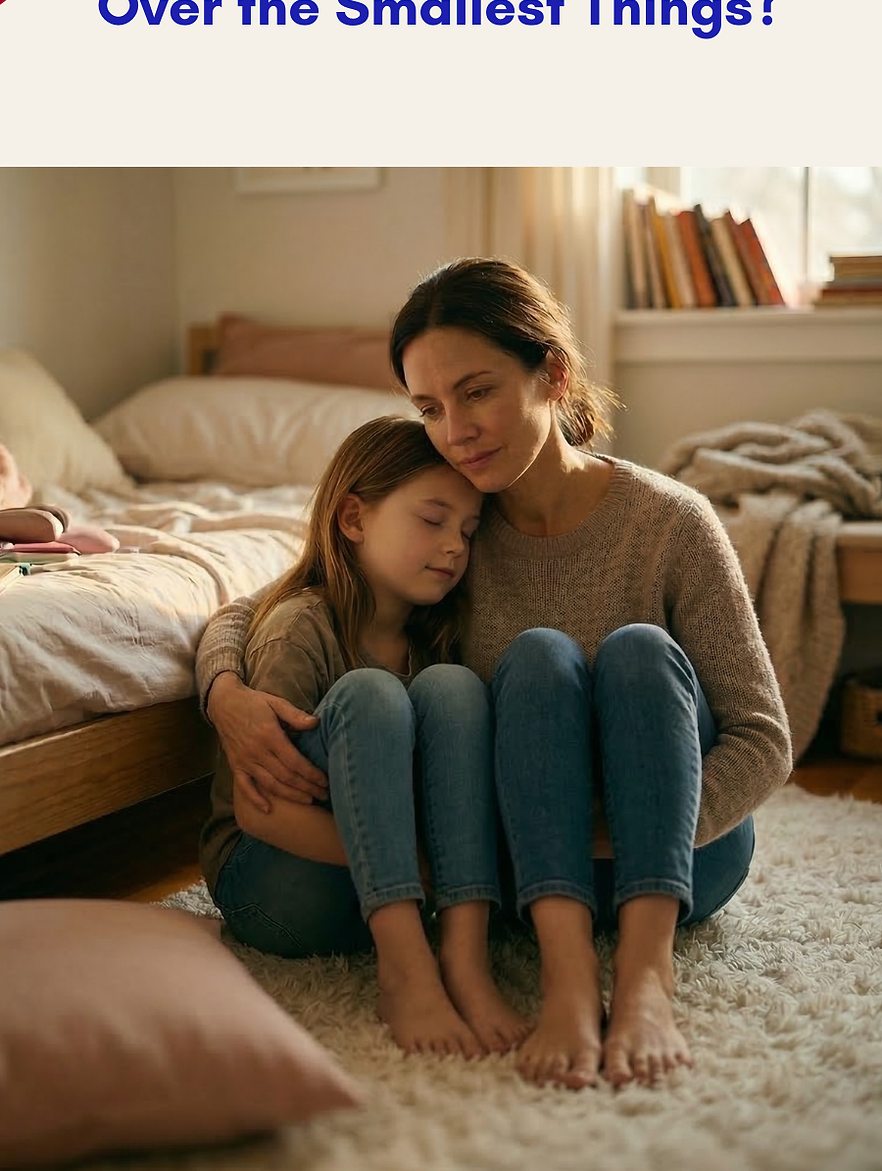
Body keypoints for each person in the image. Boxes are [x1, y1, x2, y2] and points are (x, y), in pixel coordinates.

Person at [200, 259, 792, 1091]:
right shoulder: (452, 536)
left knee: (638, 652)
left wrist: (625, 828)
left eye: (476, 392)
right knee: (541, 657)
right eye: (429, 409)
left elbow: (765, 739)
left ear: (551, 373)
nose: (455, 431)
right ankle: (565, 975)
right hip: (529, 863)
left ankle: (647, 977)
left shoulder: (669, 524)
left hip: (674, 851)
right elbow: (280, 596)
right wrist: (225, 690)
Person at [198, 414, 529, 1059]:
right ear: (353, 519)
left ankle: (464, 961)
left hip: (383, 887)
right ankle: (405, 971)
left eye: (467, 530)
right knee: (372, 696)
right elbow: (257, 812)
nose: (456, 546)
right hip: (276, 886)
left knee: (456, 688)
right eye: (432, 521)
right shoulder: (301, 627)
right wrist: (410, 868)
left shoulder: (439, 637)